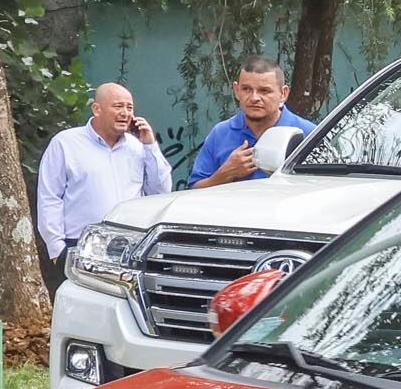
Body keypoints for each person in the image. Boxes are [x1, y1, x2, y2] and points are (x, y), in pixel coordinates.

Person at [34, 82, 173, 295]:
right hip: (79, 244)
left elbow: (160, 192)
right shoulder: (66, 143)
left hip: (130, 245)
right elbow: (49, 197)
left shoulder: (137, 147)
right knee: (81, 310)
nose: (125, 113)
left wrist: (150, 145)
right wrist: (56, 248)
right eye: (118, 106)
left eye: (130, 107)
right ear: (97, 109)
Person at [189, 55, 315, 186]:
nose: (254, 98)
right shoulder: (220, 133)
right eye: (246, 89)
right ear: (236, 90)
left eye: (264, 91)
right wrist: (226, 173)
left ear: (283, 93)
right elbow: (195, 189)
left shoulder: (309, 134)